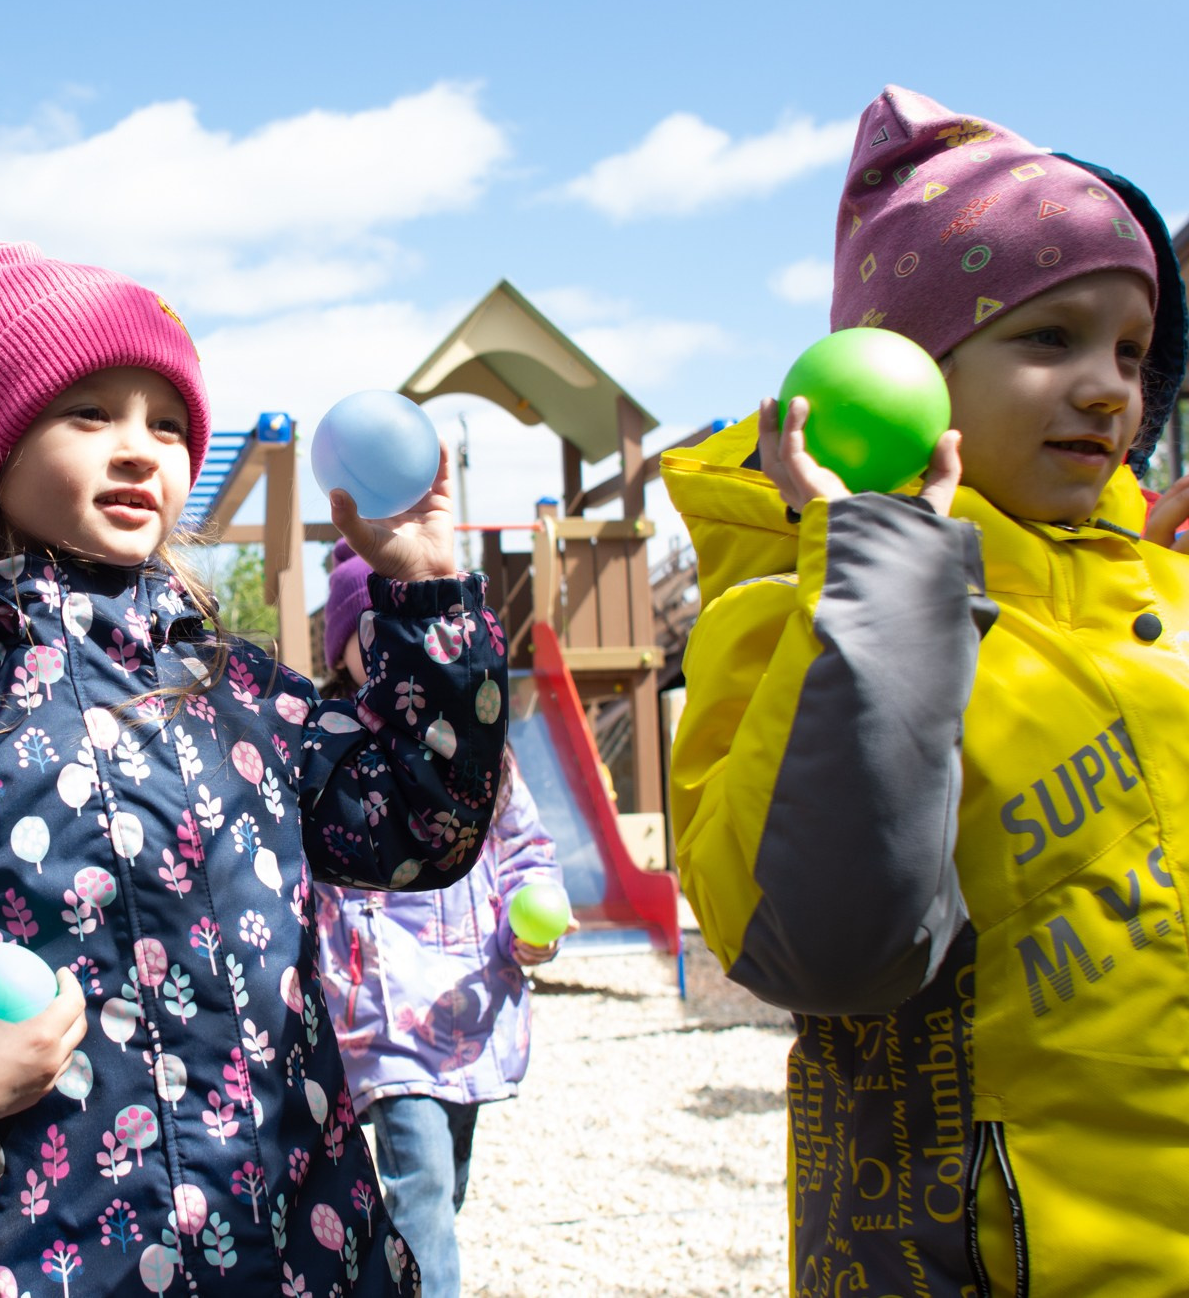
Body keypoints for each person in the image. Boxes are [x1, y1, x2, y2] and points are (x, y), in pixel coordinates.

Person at [0, 241, 510, 1295]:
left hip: (286, 1238)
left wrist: (428, 604)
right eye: (89, 414)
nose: (140, 449)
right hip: (38, 1248)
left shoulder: (235, 690)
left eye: (165, 422)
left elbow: (416, 829)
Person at [665, 86, 1189, 1295]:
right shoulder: (785, 618)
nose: (1110, 387)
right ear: (897, 377)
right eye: (1047, 341)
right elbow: (823, 943)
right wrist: (884, 579)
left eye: (1127, 348)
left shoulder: (1155, 599)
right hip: (984, 1252)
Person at [312, 540, 566, 1298]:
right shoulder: (331, 748)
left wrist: (533, 925)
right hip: (385, 1019)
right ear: (348, 654)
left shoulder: (482, 761)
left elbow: (525, 850)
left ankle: (385, 1272)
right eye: (379, 639)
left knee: (442, 1187)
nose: (401, 653)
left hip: (468, 1000)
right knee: (422, 1185)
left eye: (415, 636)